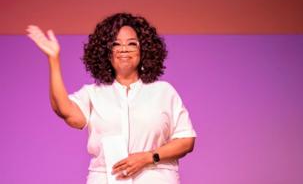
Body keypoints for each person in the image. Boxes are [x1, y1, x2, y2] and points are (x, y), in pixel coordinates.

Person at [26, 12, 196, 184]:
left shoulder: (164, 92)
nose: (123, 49)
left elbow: (186, 140)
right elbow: (65, 111)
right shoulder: (93, 93)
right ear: (106, 52)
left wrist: (148, 157)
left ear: (143, 50)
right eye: (116, 44)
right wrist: (53, 59)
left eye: (132, 44)